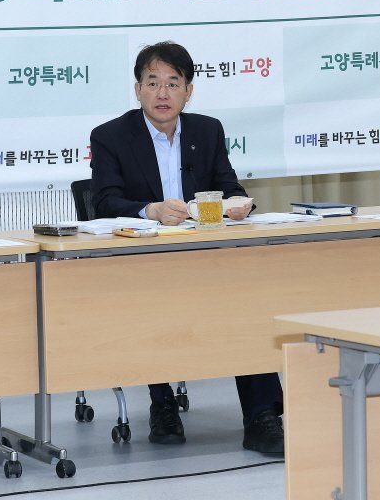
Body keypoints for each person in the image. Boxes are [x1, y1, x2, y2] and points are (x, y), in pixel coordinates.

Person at [89, 41, 285, 455]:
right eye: (153, 83)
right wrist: (151, 210)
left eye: (173, 83)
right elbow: (104, 201)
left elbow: (229, 186)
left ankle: (261, 416)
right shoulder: (111, 136)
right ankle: (162, 404)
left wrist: (238, 204)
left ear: (188, 91)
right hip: (144, 259)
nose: (162, 93)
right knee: (152, 301)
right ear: (138, 89)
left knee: (250, 300)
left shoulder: (206, 131)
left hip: (206, 255)